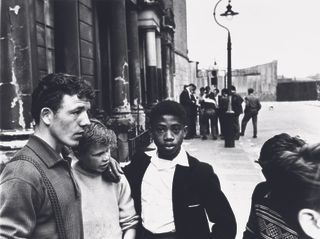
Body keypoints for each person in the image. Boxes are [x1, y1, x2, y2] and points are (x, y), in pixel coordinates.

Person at [124, 100, 237, 239]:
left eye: (175, 129)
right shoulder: (140, 163)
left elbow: (226, 224)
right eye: (161, 129)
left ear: (185, 131)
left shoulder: (200, 173)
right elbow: (117, 179)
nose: (169, 137)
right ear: (152, 132)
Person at [0, 73, 95, 238]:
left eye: (86, 111)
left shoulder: (64, 157)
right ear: (46, 116)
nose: (86, 121)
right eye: (77, 111)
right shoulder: (22, 173)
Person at [243, 133, 320, 239]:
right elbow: (251, 232)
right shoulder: (261, 192)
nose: (264, 172)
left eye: (270, 170)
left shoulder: (308, 209)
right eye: (262, 166)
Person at [72, 119, 139, 239]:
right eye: (98, 154)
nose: (106, 157)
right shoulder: (69, 179)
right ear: (78, 154)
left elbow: (130, 222)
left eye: (107, 150)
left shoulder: (116, 176)